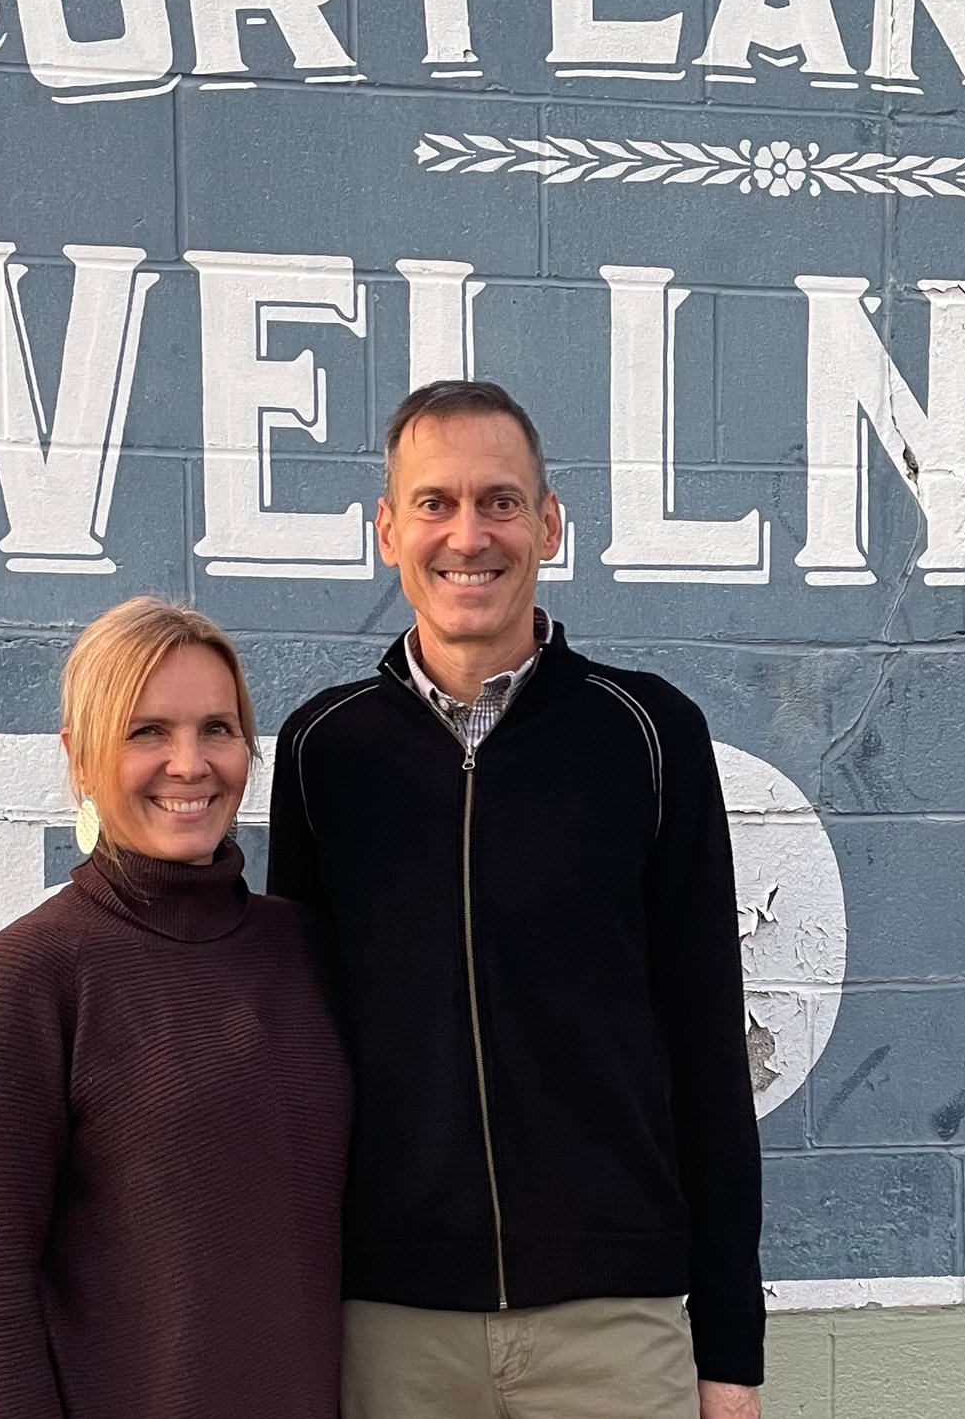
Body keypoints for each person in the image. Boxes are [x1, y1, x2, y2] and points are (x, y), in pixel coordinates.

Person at [269, 381, 764, 1419]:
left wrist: (730, 1353)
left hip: (614, 1318)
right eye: (436, 502)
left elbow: (709, 1049)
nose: (468, 534)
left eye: (499, 501)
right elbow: (302, 1059)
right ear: (388, 531)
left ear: (548, 523)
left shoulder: (649, 733)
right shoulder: (326, 753)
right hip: (391, 1321)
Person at [0, 597, 351, 1419]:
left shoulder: (305, 951)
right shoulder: (36, 971)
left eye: (217, 729)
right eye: (146, 731)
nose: (189, 763)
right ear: (81, 757)